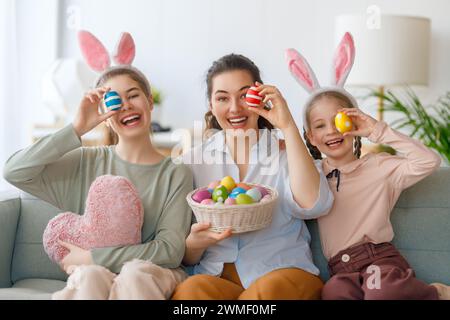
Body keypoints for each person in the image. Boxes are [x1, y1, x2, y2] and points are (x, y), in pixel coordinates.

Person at [3, 31, 192, 300]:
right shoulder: (87, 162)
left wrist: (93, 256)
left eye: (134, 95)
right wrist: (77, 128)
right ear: (104, 116)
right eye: (115, 101)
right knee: (90, 275)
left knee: (133, 274)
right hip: (96, 273)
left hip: (151, 274)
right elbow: (14, 170)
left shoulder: (176, 173)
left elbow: (170, 250)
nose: (126, 106)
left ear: (150, 102)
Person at [289, 32, 450, 299]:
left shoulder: (380, 167)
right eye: (320, 126)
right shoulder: (312, 176)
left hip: (380, 260)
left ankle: (434, 292)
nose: (331, 131)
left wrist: (377, 130)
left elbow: (429, 161)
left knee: (380, 291)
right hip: (340, 270)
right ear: (311, 137)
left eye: (338, 120)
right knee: (332, 294)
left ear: (353, 123)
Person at [171, 53, 334, 300]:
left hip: (283, 273)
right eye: (222, 98)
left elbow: (314, 204)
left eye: (244, 96)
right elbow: (184, 253)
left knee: (263, 297)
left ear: (261, 98)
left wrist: (287, 126)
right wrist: (194, 244)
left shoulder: (285, 150)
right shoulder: (192, 162)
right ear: (211, 105)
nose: (235, 108)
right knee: (189, 293)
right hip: (218, 276)